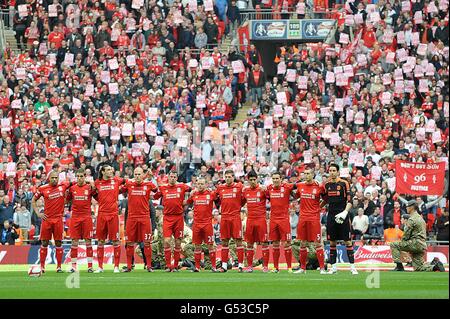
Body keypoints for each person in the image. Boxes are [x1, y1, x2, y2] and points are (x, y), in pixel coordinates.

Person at [390, 200, 445, 272]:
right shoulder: (420, 218)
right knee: (418, 268)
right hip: (422, 245)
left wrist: (403, 244)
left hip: (415, 243)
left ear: (412, 207)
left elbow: (406, 235)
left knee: (394, 245)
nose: (406, 208)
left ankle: (399, 266)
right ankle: (435, 266)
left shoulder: (412, 219)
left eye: (407, 206)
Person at [31, 171, 69, 273]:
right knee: (44, 242)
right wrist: (38, 213)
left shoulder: (63, 185)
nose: (54, 180)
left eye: (56, 178)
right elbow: (33, 200)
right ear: (49, 178)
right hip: (47, 219)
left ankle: (59, 267)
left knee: (58, 242)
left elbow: (74, 183)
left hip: (58, 219)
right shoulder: (43, 188)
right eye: (52, 178)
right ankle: (42, 267)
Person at [121, 167, 157, 272]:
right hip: (131, 218)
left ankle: (149, 266)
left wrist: (149, 177)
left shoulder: (149, 184)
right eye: (135, 174)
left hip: (144, 218)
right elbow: (121, 190)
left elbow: (156, 190)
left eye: (139, 174)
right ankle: (128, 266)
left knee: (147, 243)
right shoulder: (129, 184)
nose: (137, 176)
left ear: (142, 175)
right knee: (130, 242)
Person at [323, 164, 358, 275]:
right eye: (330, 170)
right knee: (332, 241)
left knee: (347, 241)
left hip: (343, 214)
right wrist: (316, 208)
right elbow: (325, 200)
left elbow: (350, 200)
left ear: (338, 172)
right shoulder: (327, 184)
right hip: (331, 216)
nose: (332, 172)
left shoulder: (344, 183)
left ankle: (352, 267)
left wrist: (345, 212)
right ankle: (333, 268)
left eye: (334, 170)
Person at [153, 171, 191, 272]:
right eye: (171, 177)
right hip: (167, 218)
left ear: (177, 178)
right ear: (168, 178)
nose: (173, 178)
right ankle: (168, 265)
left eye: (174, 177)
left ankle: (175, 266)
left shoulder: (182, 186)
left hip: (179, 218)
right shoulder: (163, 188)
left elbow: (192, 190)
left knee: (178, 242)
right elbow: (155, 196)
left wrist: (186, 200)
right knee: (166, 241)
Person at [293, 167, 327, 274]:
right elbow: (296, 196)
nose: (306, 175)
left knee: (317, 243)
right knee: (302, 243)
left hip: (314, 218)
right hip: (303, 218)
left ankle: (322, 268)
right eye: (305, 173)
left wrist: (319, 207)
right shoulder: (300, 185)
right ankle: (303, 268)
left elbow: (326, 198)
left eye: (308, 173)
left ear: (313, 175)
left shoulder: (319, 186)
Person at [92, 163, 125, 273]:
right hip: (101, 215)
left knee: (116, 241)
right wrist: (100, 200)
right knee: (100, 241)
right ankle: (100, 267)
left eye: (111, 170)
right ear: (103, 172)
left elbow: (128, 182)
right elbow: (93, 194)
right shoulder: (97, 183)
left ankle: (116, 267)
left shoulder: (116, 180)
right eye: (109, 170)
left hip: (113, 215)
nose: (111, 171)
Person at [185, 177, 218, 272]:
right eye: (198, 184)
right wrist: (189, 195)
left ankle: (214, 266)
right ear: (196, 185)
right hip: (197, 224)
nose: (200, 185)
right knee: (197, 246)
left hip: (207, 224)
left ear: (206, 185)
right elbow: (187, 203)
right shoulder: (194, 194)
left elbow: (218, 198)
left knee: (210, 245)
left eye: (202, 184)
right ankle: (197, 267)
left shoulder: (210, 194)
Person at [215, 170, 245, 272]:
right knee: (224, 241)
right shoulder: (220, 188)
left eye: (229, 177)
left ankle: (241, 265)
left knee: (238, 241)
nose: (228, 178)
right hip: (224, 217)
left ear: (233, 177)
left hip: (235, 217)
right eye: (226, 177)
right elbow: (215, 198)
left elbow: (244, 198)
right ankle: (224, 266)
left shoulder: (239, 186)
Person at [66, 168, 95, 273]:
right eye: (77, 176)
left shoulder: (89, 187)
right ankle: (73, 266)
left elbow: (97, 196)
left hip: (86, 217)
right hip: (75, 218)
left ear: (85, 177)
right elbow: (67, 199)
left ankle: (90, 266)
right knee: (74, 241)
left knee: (88, 241)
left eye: (81, 176)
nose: (79, 178)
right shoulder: (72, 188)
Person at [266, 171, 296, 273]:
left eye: (277, 178)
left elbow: (296, 188)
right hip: (273, 219)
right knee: (275, 243)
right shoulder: (269, 188)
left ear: (281, 179)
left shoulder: (287, 187)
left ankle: (289, 267)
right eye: (273, 178)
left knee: (287, 243)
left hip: (284, 219)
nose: (275, 180)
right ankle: (275, 268)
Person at [242, 170, 270, 273]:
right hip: (250, 220)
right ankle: (249, 267)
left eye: (254, 179)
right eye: (251, 180)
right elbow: (240, 203)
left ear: (257, 179)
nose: (253, 181)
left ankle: (265, 266)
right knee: (249, 243)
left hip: (261, 220)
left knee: (264, 243)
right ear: (248, 180)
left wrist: (266, 190)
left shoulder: (262, 189)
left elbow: (273, 198)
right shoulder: (245, 191)